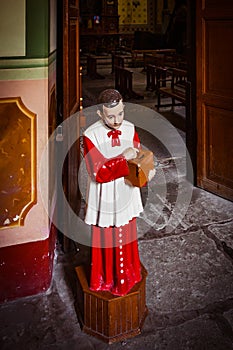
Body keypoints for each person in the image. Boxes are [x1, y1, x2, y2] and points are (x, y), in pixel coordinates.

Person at [82, 89, 144, 296]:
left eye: (120, 114)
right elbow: (97, 172)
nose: (117, 121)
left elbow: (139, 156)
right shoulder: (90, 134)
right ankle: (107, 280)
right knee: (107, 236)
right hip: (105, 193)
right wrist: (123, 158)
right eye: (110, 116)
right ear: (100, 114)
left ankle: (130, 274)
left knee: (126, 232)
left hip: (125, 189)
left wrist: (145, 167)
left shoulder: (130, 127)